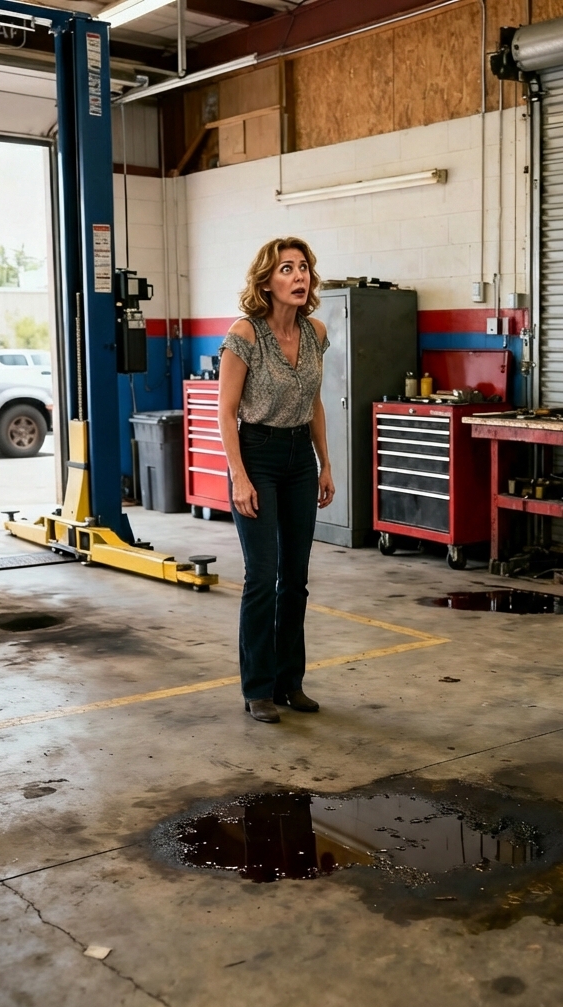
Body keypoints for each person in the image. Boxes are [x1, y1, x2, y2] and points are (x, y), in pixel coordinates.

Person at [218, 237, 335, 724]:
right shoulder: (245, 334)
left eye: (303, 267)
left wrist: (325, 463)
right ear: (266, 281)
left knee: (297, 579)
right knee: (263, 577)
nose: (299, 276)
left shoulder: (315, 333)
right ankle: (258, 689)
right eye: (286, 268)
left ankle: (291, 682)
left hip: (298, 461)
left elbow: (314, 403)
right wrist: (239, 477)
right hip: (258, 455)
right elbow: (225, 412)